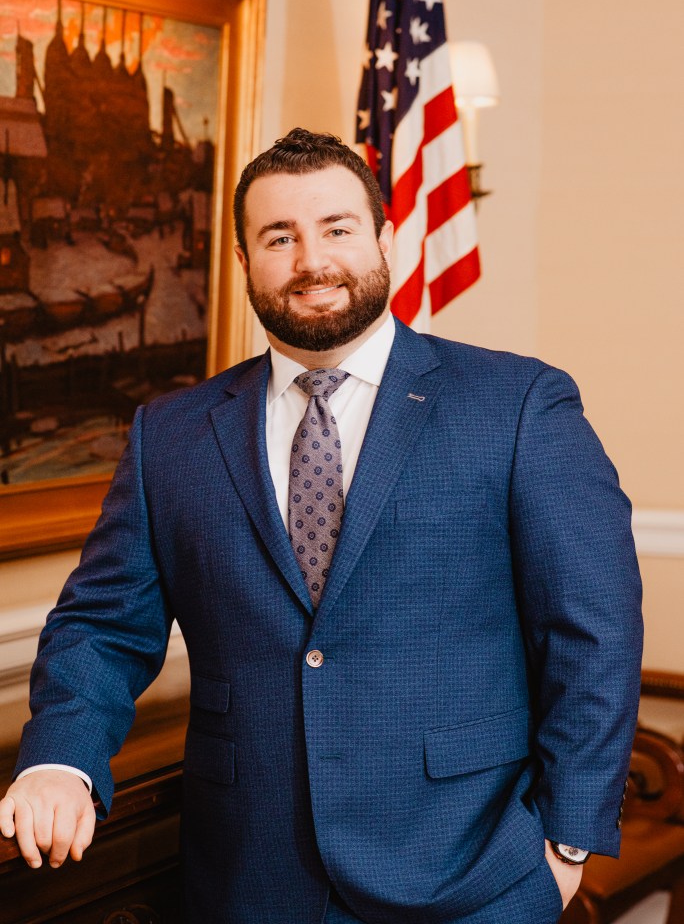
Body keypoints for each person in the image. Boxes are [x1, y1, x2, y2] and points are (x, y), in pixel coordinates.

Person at [0, 129, 643, 924]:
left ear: (383, 238)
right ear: (243, 262)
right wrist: (60, 759)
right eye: (280, 236)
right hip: (249, 875)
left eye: (337, 228)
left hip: (475, 876)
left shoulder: (516, 405)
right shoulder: (168, 435)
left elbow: (593, 631)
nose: (312, 260)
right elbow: (102, 626)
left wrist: (567, 847)